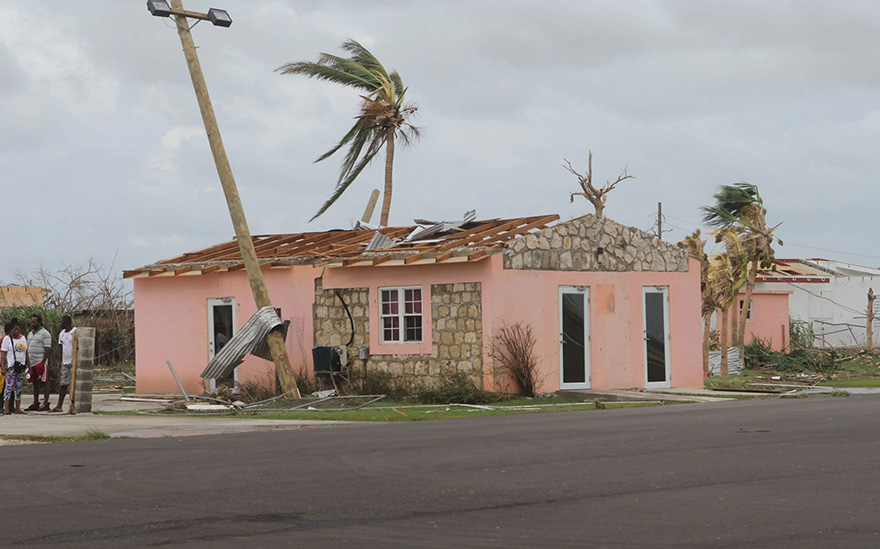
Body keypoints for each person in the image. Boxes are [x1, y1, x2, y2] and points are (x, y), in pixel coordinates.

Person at [1, 319, 28, 415]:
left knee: (19, 388)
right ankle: (6, 408)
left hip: (20, 367)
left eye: (18, 329)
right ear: (11, 330)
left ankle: (18, 408)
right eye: (14, 329)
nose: (16, 331)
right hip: (11, 367)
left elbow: (26, 353)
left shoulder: (23, 338)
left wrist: (28, 367)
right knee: (8, 387)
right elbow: (3, 354)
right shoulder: (7, 339)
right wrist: (3, 367)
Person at [26, 314, 52, 412]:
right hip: (32, 362)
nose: (32, 324)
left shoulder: (45, 333)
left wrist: (43, 362)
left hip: (40, 361)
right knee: (35, 382)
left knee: (45, 381)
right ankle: (35, 402)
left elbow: (48, 348)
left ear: (39, 322)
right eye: (31, 322)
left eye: (34, 322)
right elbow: (28, 348)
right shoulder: (30, 334)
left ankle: (45, 402)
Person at [52, 316, 76, 413]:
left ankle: (73, 405)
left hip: (73, 362)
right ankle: (59, 406)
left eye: (61, 322)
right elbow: (61, 347)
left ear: (67, 322)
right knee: (63, 383)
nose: (60, 324)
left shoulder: (75, 332)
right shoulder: (61, 334)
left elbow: (77, 346)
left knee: (74, 384)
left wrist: (74, 360)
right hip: (65, 362)